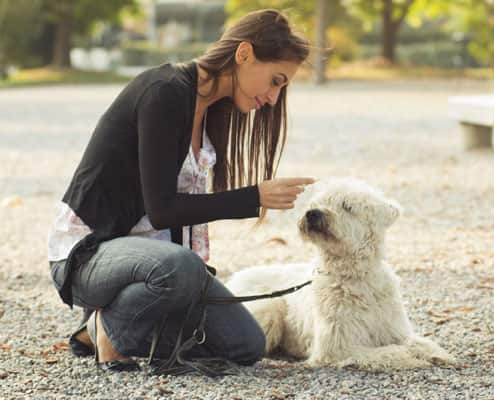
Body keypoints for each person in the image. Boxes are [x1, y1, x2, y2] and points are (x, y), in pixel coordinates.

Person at [47, 9, 314, 372]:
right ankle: (106, 327)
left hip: (160, 267)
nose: (272, 97)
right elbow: (163, 210)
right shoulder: (164, 92)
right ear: (245, 54)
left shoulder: (211, 110)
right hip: (90, 254)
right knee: (183, 268)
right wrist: (254, 197)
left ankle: (113, 328)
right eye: (275, 80)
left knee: (246, 344)